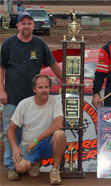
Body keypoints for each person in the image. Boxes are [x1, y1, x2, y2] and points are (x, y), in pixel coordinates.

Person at [0, 11, 62, 181]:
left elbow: (53, 64)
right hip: (12, 97)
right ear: (18, 25)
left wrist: (68, 81)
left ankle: (30, 161)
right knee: (11, 132)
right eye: (23, 23)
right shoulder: (8, 43)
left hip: (34, 99)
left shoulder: (40, 44)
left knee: (30, 132)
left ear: (33, 25)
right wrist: (1, 89)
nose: (26, 27)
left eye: (29, 23)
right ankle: (11, 166)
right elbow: (1, 68)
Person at [7, 74, 66, 185]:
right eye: (40, 87)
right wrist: (14, 148)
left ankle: (54, 170)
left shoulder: (55, 100)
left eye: (46, 87)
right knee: (20, 167)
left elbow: (59, 124)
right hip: (29, 146)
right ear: (34, 89)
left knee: (60, 134)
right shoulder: (24, 104)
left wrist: (36, 140)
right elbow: (10, 129)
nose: (44, 90)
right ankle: (34, 163)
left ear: (50, 88)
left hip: (46, 144)